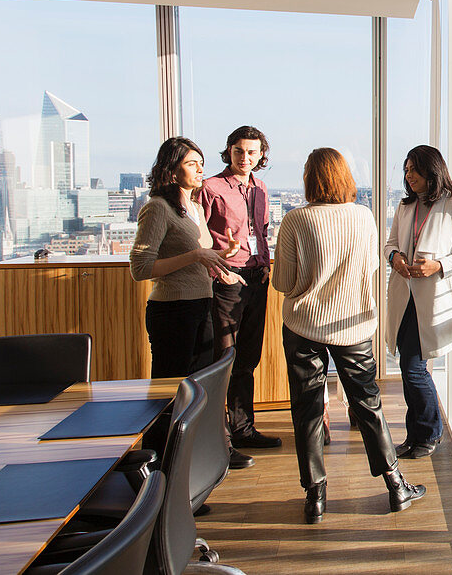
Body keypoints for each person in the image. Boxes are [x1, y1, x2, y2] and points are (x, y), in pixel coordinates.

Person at [272, 148, 426, 522]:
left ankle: (315, 496)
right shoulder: (363, 217)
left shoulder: (295, 220)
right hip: (353, 326)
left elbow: (282, 283)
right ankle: (395, 485)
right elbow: (369, 269)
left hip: (302, 326)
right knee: (367, 404)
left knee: (307, 410)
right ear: (344, 178)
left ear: (309, 179)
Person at [385, 145, 452, 458]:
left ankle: (429, 432)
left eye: (415, 170)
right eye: (407, 170)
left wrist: (437, 265)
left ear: (431, 170)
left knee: (413, 369)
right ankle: (416, 434)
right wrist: (395, 258)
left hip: (433, 298)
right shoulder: (405, 205)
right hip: (404, 295)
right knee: (409, 365)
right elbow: (391, 244)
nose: (409, 176)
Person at [200, 126, 280, 470]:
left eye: (252, 152)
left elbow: (260, 234)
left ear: (261, 154)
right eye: (238, 151)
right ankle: (220, 441)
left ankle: (243, 428)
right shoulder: (211, 188)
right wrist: (217, 271)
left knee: (248, 356)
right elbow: (198, 237)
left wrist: (265, 268)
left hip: (258, 275)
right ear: (228, 152)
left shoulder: (261, 188)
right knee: (225, 357)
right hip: (228, 278)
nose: (245, 158)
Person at [130, 137, 240, 379]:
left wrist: (222, 256)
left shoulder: (195, 208)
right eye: (191, 164)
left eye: (201, 163)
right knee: (172, 388)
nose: (200, 169)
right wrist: (196, 255)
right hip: (172, 309)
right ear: (171, 169)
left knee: (199, 385)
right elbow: (140, 268)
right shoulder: (158, 208)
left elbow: (195, 258)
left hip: (201, 304)